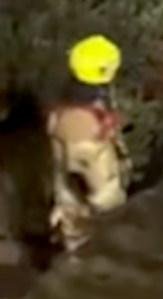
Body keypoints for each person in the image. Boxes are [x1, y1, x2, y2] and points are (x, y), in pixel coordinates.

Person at [47, 34, 128, 250]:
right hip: (92, 194)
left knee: (70, 212)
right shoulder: (88, 122)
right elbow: (101, 188)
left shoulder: (61, 111)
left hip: (69, 194)